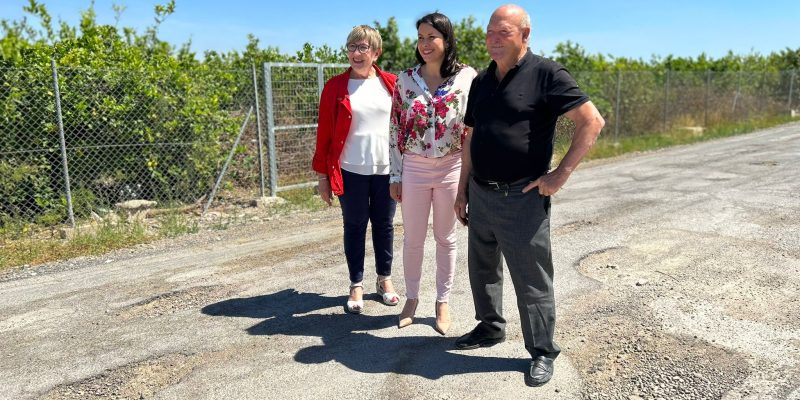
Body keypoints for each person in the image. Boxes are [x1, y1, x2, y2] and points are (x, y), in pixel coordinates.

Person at [453, 4, 605, 387]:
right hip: (481, 193)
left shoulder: (547, 74)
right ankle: (490, 327)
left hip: (521, 197)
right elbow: (471, 137)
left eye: (503, 32)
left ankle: (542, 350)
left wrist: (560, 174)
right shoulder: (481, 81)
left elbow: (592, 121)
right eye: (489, 33)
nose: (493, 40)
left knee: (532, 279)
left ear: (525, 35)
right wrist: (462, 188)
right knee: (482, 269)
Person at [389, 12, 477, 335]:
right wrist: (395, 174)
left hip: (452, 165)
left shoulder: (467, 77)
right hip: (414, 166)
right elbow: (395, 127)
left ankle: (443, 301)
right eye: (420, 38)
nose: (425, 44)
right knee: (413, 238)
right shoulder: (405, 79)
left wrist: (470, 176)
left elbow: (473, 129)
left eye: (432, 37)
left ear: (447, 39)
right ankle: (411, 298)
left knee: (446, 237)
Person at [312, 25, 400, 314]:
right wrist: (323, 177)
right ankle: (356, 284)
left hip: (386, 169)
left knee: (385, 225)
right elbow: (324, 134)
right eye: (352, 47)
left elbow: (403, 127)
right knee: (354, 225)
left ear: (376, 52)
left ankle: (384, 279)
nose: (356, 53)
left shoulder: (392, 84)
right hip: (350, 170)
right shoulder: (335, 87)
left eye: (363, 47)